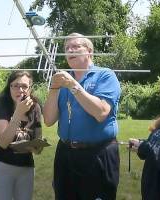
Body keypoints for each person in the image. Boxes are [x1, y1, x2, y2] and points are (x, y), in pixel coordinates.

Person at [43, 32, 122, 200]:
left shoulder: (105, 75)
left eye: (76, 46)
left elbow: (100, 113)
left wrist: (73, 85)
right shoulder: (64, 80)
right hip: (66, 153)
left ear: (89, 51)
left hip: (97, 154)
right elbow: (49, 120)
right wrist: (54, 88)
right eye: (67, 48)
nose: (70, 50)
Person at [0, 71, 43, 200]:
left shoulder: (35, 108)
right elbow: (3, 142)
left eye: (24, 86)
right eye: (15, 86)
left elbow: (37, 142)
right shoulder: (2, 104)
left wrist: (37, 146)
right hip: (0, 164)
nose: (20, 90)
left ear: (30, 88)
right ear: (9, 87)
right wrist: (17, 113)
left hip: (26, 166)